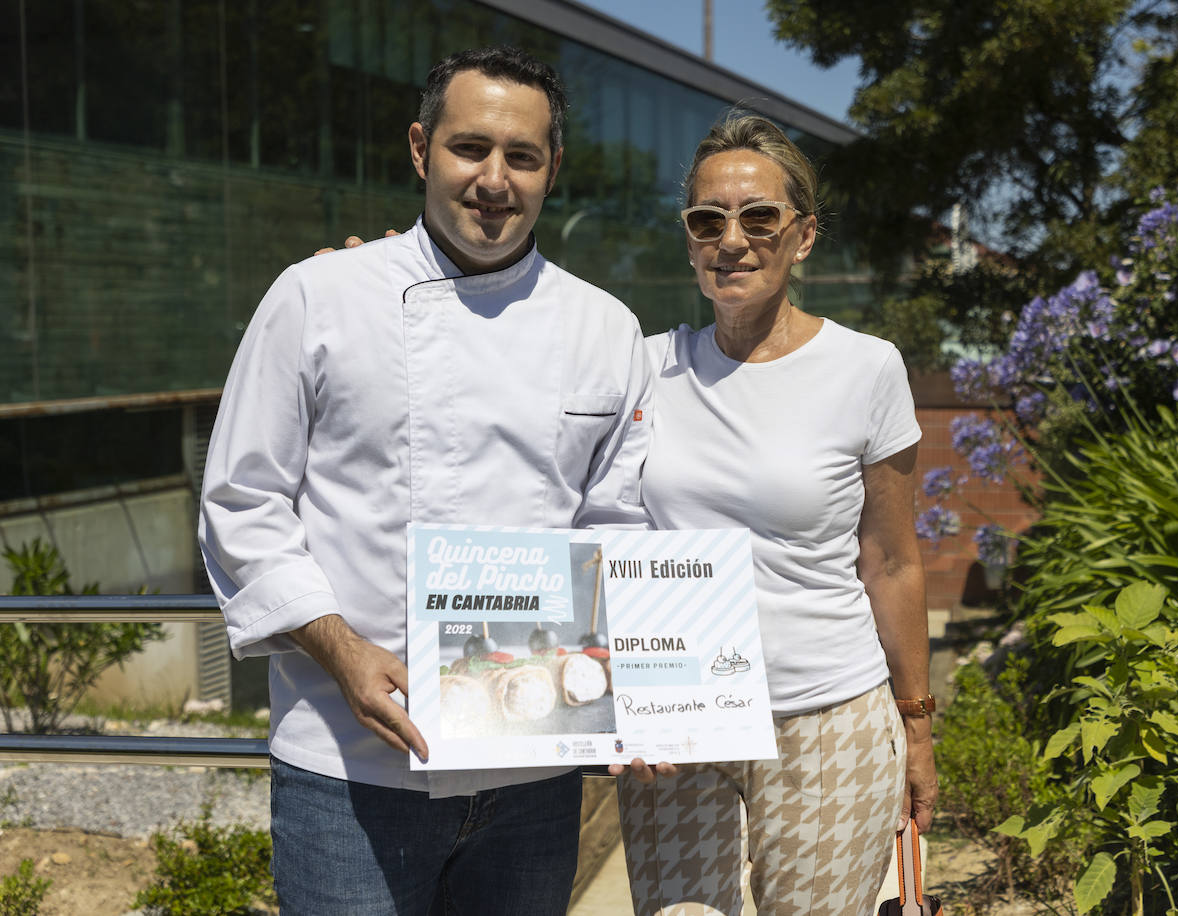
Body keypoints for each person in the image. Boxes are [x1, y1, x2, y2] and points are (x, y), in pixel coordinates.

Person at [198, 46, 653, 915]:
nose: (494, 179)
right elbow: (241, 501)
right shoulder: (316, 296)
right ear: (419, 149)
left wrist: (655, 690)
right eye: (468, 148)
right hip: (348, 765)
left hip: (534, 766)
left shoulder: (605, 325)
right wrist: (341, 650)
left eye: (521, 156)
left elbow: (616, 525)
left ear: (552, 168)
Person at [610, 112, 939, 914]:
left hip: (829, 714)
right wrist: (378, 284)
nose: (733, 239)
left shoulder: (866, 368)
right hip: (682, 723)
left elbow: (892, 562)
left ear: (803, 235)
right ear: (688, 239)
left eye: (760, 217)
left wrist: (919, 727)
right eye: (707, 219)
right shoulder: (641, 366)